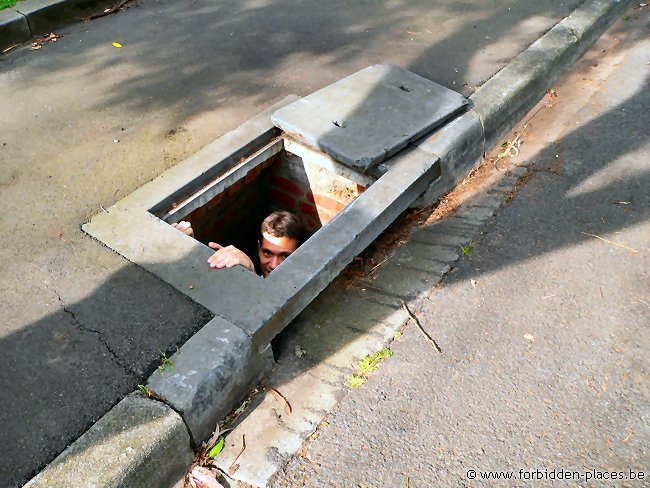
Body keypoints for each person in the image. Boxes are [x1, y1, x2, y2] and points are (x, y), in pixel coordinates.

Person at [172, 210, 305, 277]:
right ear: (259, 248)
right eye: (268, 253)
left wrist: (251, 275)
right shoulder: (246, 261)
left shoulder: (302, 276)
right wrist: (188, 246)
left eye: (285, 256)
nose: (274, 265)